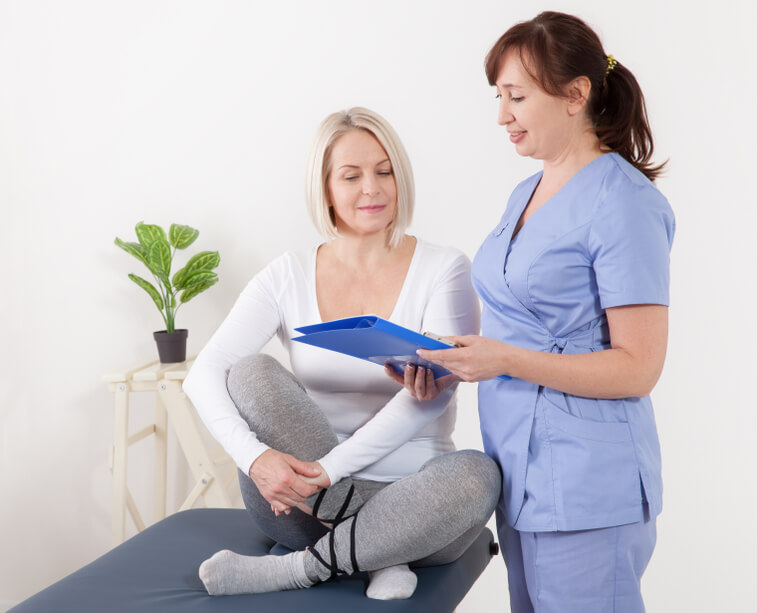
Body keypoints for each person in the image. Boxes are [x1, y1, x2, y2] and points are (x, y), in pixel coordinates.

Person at [409, 12, 675, 613]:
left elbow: (639, 367)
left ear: (576, 94)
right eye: (499, 96)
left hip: (586, 484)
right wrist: (449, 363)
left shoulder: (625, 204)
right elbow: (528, 327)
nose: (501, 114)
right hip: (520, 475)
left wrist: (502, 358)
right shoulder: (527, 192)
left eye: (517, 96)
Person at [182, 107, 500, 600]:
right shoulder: (286, 275)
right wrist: (257, 457)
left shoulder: (445, 269)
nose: (371, 188)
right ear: (325, 188)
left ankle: (300, 568)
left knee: (479, 474)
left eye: (384, 171)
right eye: (351, 176)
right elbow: (202, 374)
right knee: (249, 372)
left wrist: (334, 471)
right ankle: (379, 552)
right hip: (298, 503)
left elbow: (434, 397)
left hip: (419, 499)